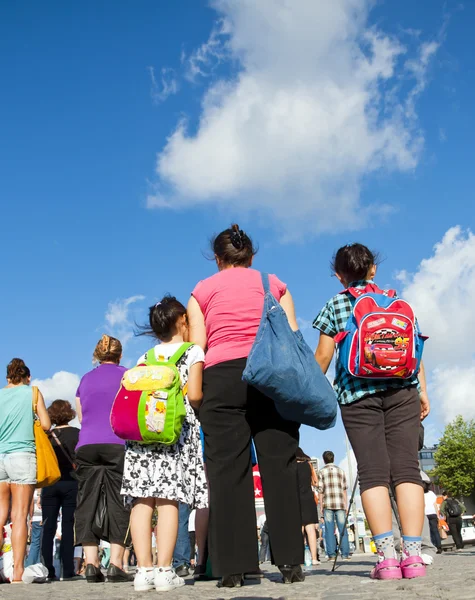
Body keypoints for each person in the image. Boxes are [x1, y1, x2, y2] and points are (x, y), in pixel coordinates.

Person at [188, 224, 305, 587]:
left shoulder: (202, 291)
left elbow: (197, 348)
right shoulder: (274, 284)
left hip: (221, 377)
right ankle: (290, 563)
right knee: (280, 465)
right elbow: (293, 336)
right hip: (270, 373)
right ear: (251, 257)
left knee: (226, 473)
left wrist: (196, 395)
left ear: (218, 258)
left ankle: (233, 568)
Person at [314, 243, 430, 580]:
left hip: (357, 396)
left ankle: (388, 560)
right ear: (373, 269)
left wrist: (309, 393)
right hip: (403, 390)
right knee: (407, 470)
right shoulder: (398, 303)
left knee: (373, 473)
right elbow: (416, 349)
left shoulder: (336, 304)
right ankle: (413, 557)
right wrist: (422, 392)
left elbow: (322, 359)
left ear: (338, 275)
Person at [121, 297, 208, 593]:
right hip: (174, 433)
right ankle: (164, 569)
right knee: (169, 500)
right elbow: (195, 395)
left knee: (142, 500)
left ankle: (142, 572)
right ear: (182, 320)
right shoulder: (192, 351)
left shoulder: (145, 357)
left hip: (142, 436)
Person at [74, 335, 132, 584]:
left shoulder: (85, 379)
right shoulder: (128, 375)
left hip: (86, 444)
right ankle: (117, 563)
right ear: (119, 355)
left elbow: (80, 416)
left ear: (97, 355)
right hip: (117, 443)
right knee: (120, 500)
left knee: (87, 501)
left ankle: (90, 562)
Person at [0, 358, 50, 583]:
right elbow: (47, 425)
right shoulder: (33, 392)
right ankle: (18, 572)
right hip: (23, 455)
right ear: (27, 377)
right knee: (19, 516)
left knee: (0, 515)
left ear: (8, 377)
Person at [41, 399, 80, 580]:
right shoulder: (77, 434)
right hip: (71, 483)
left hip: (50, 483)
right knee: (68, 526)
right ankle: (68, 570)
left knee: (48, 527)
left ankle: (47, 569)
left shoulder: (46, 435)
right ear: (69, 413)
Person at [317, 451, 350, 562]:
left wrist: (321, 505)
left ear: (324, 459)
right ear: (333, 458)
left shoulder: (321, 472)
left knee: (329, 530)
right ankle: (345, 554)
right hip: (340, 503)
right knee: (342, 529)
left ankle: (331, 555)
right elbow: (344, 489)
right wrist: (345, 505)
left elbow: (320, 491)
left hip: (327, 504)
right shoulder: (341, 471)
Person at [296, 448, 319, 565]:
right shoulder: (308, 465)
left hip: (296, 499)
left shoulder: (292, 466)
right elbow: (315, 482)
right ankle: (314, 558)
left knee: (299, 529)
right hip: (308, 498)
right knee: (310, 530)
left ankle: (300, 559)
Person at [423, 480, 442, 554]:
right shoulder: (431, 493)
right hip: (433, 513)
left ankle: (431, 546)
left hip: (425, 513)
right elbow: (435, 505)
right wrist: (437, 515)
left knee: (427, 531)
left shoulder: (419, 493)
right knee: (435, 531)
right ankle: (439, 546)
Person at [25, 490, 43, 567]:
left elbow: (30, 504)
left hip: (34, 518)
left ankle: (31, 565)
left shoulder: (32, 490)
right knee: (41, 544)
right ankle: (36, 565)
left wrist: (30, 518)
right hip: (42, 518)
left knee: (35, 543)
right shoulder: (45, 488)